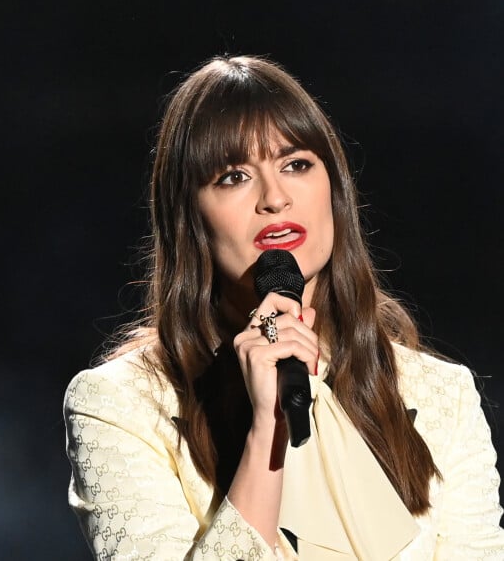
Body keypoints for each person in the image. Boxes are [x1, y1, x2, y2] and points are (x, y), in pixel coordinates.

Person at [63, 55, 504, 560]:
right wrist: (267, 429)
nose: (274, 198)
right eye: (232, 176)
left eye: (296, 164)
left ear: (334, 190)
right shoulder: (121, 404)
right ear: (189, 218)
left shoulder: (442, 395)